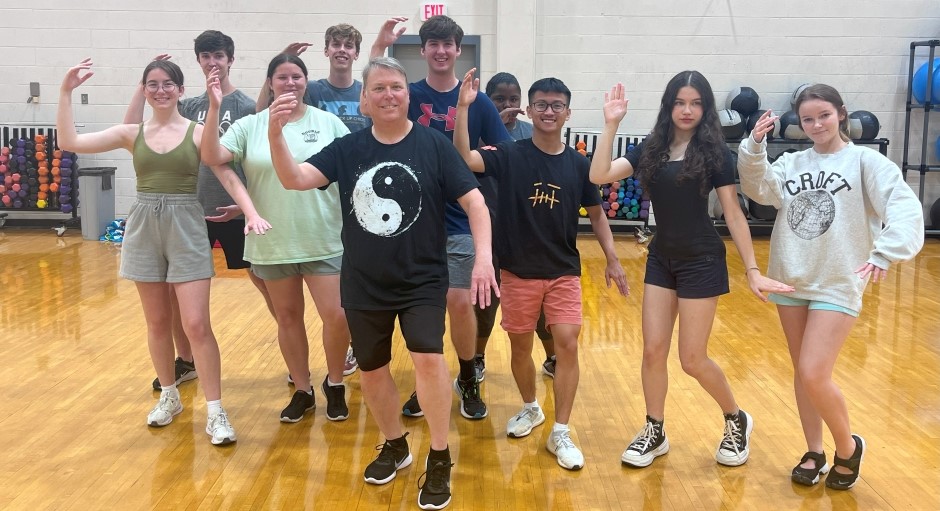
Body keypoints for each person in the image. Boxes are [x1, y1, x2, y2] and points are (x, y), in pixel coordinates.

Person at [267, 56, 496, 511]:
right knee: (371, 370)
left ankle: (439, 454)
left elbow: (476, 204)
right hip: (365, 281)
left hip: (422, 279)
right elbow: (293, 179)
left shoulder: (434, 146)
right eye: (379, 89)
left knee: (428, 360)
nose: (388, 95)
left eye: (396, 87)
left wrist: (483, 259)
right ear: (365, 100)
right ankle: (395, 443)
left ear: (407, 96)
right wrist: (275, 134)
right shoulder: (348, 149)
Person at [588, 72, 794, 468]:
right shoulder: (652, 148)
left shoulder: (714, 152)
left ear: (705, 109)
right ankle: (655, 428)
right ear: (669, 105)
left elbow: (733, 213)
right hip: (662, 259)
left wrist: (752, 269)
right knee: (652, 351)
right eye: (680, 102)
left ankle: (737, 419)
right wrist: (611, 124)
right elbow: (598, 175)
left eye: (695, 103)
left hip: (702, 259)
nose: (687, 110)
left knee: (692, 359)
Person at [738, 84, 924, 489]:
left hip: (838, 281)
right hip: (791, 278)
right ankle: (814, 450)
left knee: (813, 371)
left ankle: (847, 447)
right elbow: (759, 189)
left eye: (824, 115)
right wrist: (754, 146)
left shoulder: (864, 161)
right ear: (800, 124)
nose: (816, 124)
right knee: (803, 374)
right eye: (808, 119)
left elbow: (903, 204)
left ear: (841, 114)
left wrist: (885, 252)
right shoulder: (792, 162)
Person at [57, 58, 239, 445]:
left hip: (186, 223)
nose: (160, 90)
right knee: (157, 322)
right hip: (143, 223)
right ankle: (169, 396)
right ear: (144, 89)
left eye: (167, 83)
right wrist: (65, 92)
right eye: (152, 84)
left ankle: (215, 410)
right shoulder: (131, 132)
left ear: (179, 89)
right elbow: (69, 142)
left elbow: (221, 159)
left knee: (196, 324)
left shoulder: (194, 131)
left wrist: (216, 102)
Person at [454, 70, 630, 470]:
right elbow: (464, 158)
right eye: (541, 105)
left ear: (567, 113)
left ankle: (561, 430)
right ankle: (531, 407)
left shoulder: (580, 164)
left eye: (556, 105)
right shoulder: (509, 153)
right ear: (529, 111)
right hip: (517, 271)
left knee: (567, 342)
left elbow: (599, 216)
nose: (548, 111)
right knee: (520, 348)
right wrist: (463, 109)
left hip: (564, 269)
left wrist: (613, 259)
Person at [370, 15, 511, 421]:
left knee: (458, 302)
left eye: (448, 44)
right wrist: (379, 44)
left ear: (457, 48)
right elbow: (375, 85)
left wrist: (467, 167)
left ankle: (467, 376)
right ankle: (427, 382)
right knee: (424, 309)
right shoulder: (408, 93)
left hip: (459, 219)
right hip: (413, 221)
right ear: (423, 50)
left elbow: (500, 155)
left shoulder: (478, 100)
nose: (441, 51)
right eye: (433, 44)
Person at [201, 54, 353, 423]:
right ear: (270, 83)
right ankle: (303, 389)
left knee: (337, 316)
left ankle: (335, 383)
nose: (290, 83)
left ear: (305, 82)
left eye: (297, 77)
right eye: (282, 77)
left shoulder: (329, 123)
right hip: (273, 239)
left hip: (323, 235)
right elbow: (211, 156)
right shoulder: (250, 125)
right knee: (287, 318)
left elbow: (352, 172)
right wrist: (214, 106)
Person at [123, 31, 277, 391]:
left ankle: (289, 351)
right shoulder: (189, 106)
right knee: (177, 294)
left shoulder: (241, 104)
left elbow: (252, 151)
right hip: (190, 215)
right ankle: (186, 360)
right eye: (206, 56)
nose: (212, 62)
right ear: (198, 62)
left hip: (234, 213)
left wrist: (245, 209)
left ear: (230, 60)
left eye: (219, 56)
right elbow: (132, 127)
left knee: (265, 281)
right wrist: (142, 84)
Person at [478, 72, 556, 380]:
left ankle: (552, 358)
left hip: (530, 233)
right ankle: (478, 357)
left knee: (539, 304)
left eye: (513, 99)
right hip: (491, 230)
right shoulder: (480, 134)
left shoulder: (530, 132)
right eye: (499, 99)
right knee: (485, 301)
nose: (508, 104)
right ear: (488, 101)